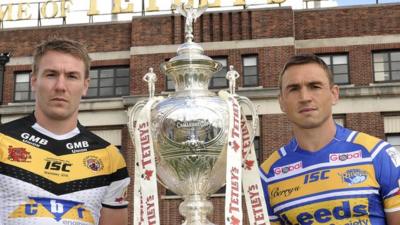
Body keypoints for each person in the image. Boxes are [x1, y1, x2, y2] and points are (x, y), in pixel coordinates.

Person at [0, 38, 130, 225]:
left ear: (85, 85)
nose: (60, 86)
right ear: (34, 81)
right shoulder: (3, 141)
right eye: (51, 74)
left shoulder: (109, 158)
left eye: (71, 76)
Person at [260, 54, 400, 225]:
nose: (305, 97)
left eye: (314, 86)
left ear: (334, 94)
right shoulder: (267, 174)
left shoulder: (379, 154)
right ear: (281, 102)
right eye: (294, 89)